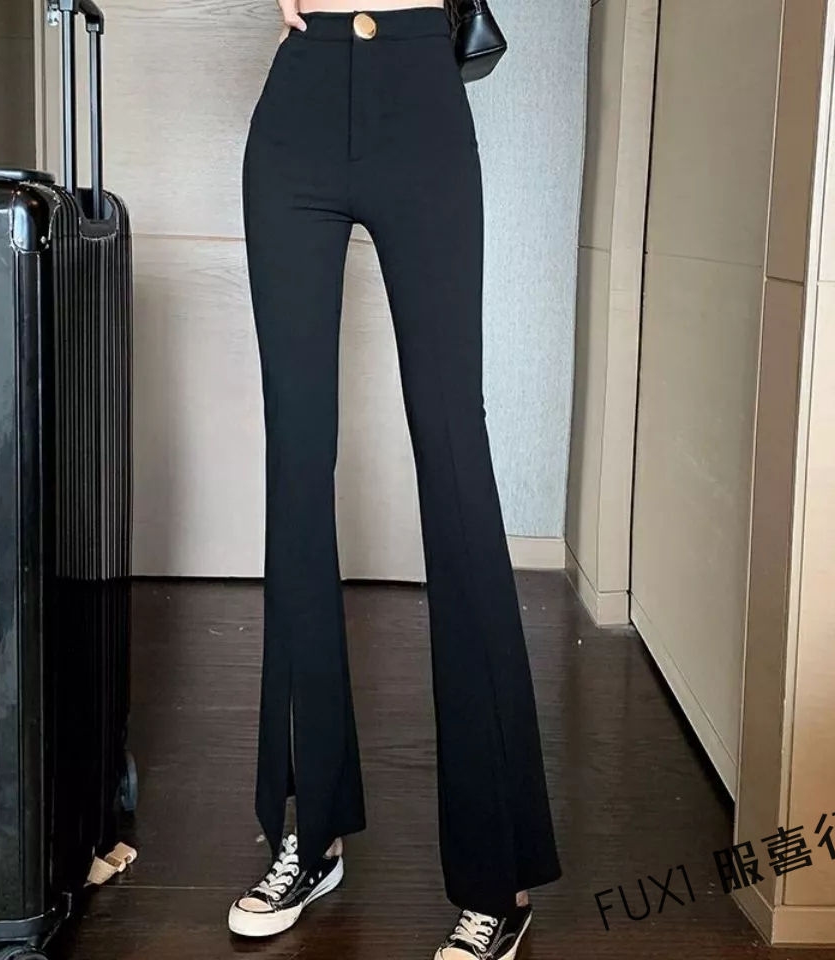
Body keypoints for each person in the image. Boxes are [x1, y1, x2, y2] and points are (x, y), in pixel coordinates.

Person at [228, 1, 562, 957]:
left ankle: (498, 877)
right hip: (299, 100)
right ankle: (312, 828)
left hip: (419, 91)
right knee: (297, 464)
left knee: (455, 461)